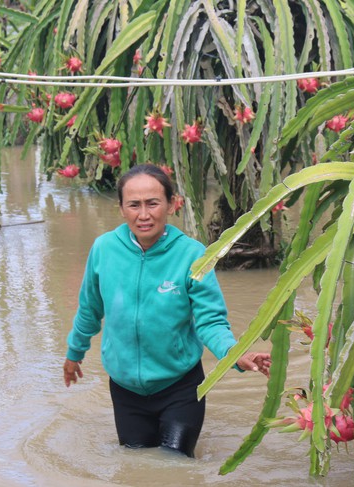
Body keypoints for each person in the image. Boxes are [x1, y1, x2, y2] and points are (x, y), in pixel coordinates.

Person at [63, 163, 271, 458]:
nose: (144, 214)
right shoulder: (104, 249)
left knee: (175, 463)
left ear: (171, 205)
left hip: (181, 387)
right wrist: (74, 354)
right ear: (121, 208)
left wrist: (235, 355)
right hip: (125, 389)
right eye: (134, 205)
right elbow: (89, 310)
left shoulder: (192, 254)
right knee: (136, 463)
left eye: (153, 203)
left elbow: (210, 321)